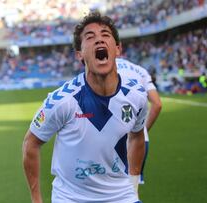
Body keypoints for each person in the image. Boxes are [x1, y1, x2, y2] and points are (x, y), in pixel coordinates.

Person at [22, 11, 148, 203]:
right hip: (72, 199)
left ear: (117, 49)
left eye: (105, 35)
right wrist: (36, 199)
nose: (99, 40)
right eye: (90, 37)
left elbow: (137, 136)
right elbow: (30, 143)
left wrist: (133, 184)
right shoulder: (63, 100)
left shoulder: (137, 96)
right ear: (79, 54)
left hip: (121, 197)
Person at [116, 58, 162, 185]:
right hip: (139, 141)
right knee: (131, 193)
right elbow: (157, 104)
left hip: (113, 137)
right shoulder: (140, 70)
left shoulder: (100, 68)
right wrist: (142, 129)